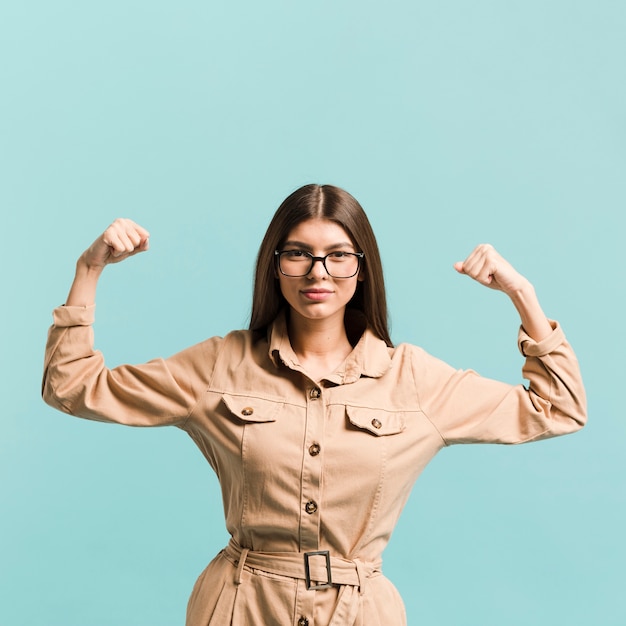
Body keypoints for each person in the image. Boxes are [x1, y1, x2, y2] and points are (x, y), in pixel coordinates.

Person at [42, 184, 587, 626]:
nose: (318, 272)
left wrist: (523, 295)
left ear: (362, 268)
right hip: (239, 608)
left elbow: (558, 407)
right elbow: (72, 387)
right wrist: (88, 271)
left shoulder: (414, 380)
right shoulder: (220, 366)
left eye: (338, 256)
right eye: (299, 253)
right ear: (275, 266)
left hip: (362, 612)